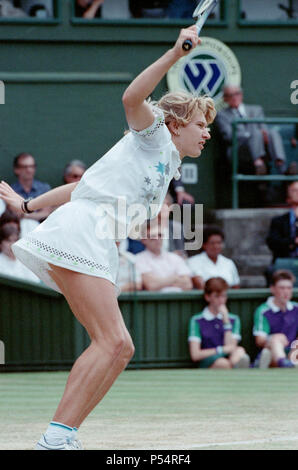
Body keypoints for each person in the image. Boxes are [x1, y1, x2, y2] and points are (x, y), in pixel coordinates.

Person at [0, 25, 215, 450]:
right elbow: (131, 98)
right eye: (199, 125)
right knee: (114, 341)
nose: (206, 132)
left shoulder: (165, 162)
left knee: (118, 347)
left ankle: (63, 434)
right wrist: (175, 53)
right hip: (81, 234)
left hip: (91, 237)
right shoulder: (153, 135)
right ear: (174, 125)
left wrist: (26, 206)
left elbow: (81, 189)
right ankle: (56, 436)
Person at [215, 85, 287, 175]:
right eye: (230, 95)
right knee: (256, 133)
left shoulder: (256, 109)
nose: (234, 97)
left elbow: (263, 129)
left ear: (241, 95)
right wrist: (250, 135)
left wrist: (262, 135)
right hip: (240, 150)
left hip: (262, 147)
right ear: (225, 98)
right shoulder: (222, 115)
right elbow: (229, 136)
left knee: (272, 133)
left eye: (237, 94)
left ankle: (281, 165)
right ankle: (259, 164)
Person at [188, 277, 250, 369]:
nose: (221, 300)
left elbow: (230, 348)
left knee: (240, 351)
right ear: (207, 297)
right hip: (208, 361)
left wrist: (226, 321)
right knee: (223, 363)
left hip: (229, 358)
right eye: (217, 296)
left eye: (224, 296)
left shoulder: (234, 319)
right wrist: (220, 350)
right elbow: (195, 355)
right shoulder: (197, 320)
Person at [253, 270, 298, 368]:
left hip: (292, 352)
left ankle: (291, 364)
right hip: (271, 351)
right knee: (277, 339)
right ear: (272, 289)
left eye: (289, 288)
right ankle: (283, 363)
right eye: (282, 288)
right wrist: (276, 339)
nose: (286, 291)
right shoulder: (263, 310)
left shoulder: (296, 308)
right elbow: (260, 340)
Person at [135, 224, 192, 292]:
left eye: (160, 235)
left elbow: (188, 285)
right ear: (143, 240)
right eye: (153, 236)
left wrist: (160, 282)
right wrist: (175, 278)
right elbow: (151, 285)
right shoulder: (138, 259)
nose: (158, 239)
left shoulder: (175, 258)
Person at [11, 153, 52, 222]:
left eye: (32, 166)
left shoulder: (44, 188)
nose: (29, 170)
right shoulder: (11, 190)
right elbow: (15, 214)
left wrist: (25, 215)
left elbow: (46, 213)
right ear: (16, 169)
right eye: (24, 167)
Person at [266, 181, 298, 262]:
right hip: (285, 262)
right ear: (288, 197)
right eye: (294, 190)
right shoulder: (278, 221)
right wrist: (293, 241)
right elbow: (272, 243)